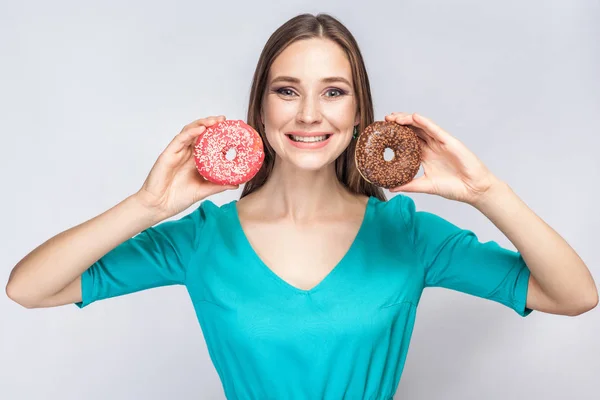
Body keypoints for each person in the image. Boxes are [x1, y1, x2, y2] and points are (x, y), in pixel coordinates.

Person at [6, 12, 598, 400]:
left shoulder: (409, 234)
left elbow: (574, 296)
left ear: (358, 113)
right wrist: (146, 204)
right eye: (287, 90)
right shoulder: (201, 238)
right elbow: (30, 288)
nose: (309, 114)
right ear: (260, 110)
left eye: (333, 92)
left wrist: (486, 192)